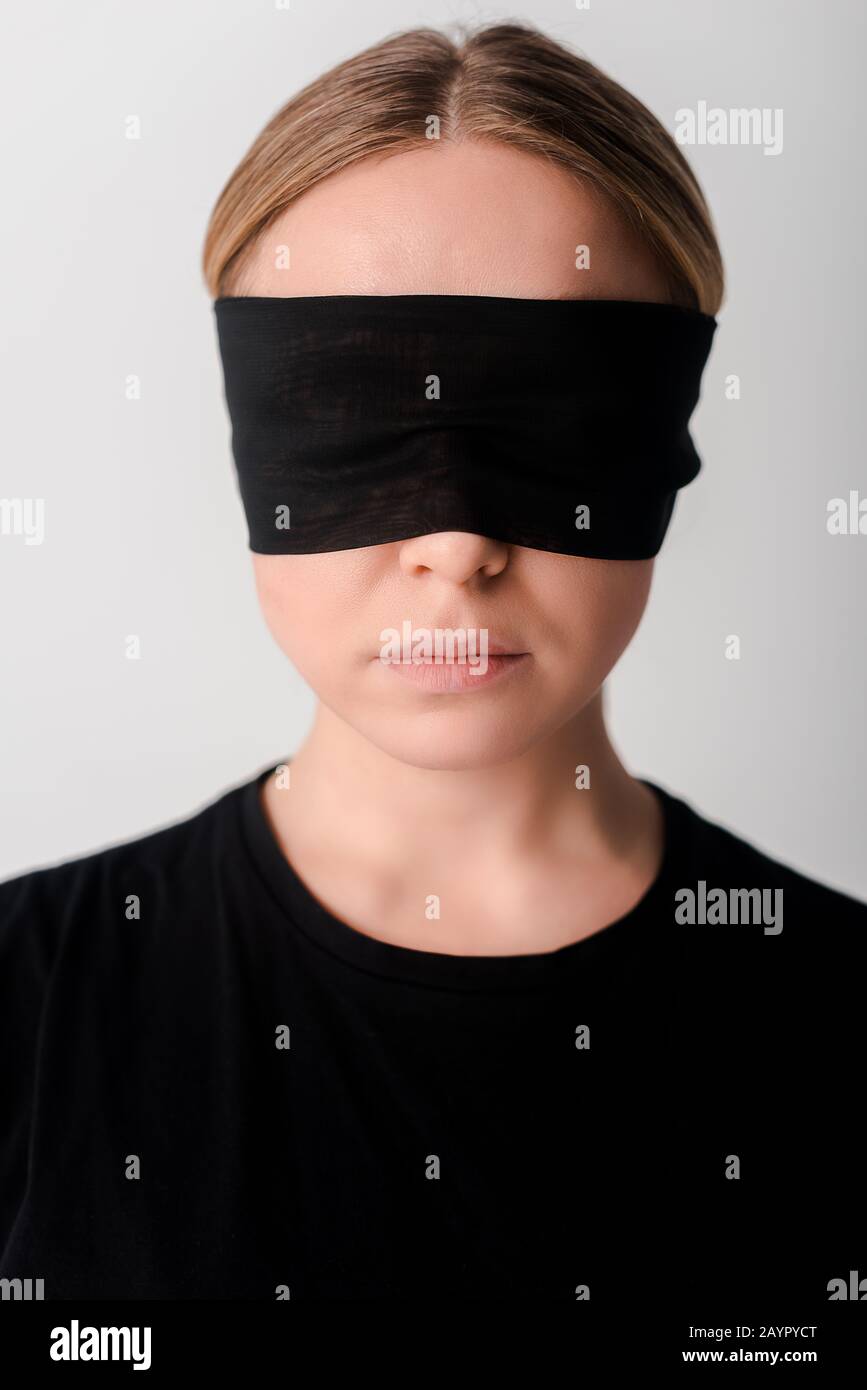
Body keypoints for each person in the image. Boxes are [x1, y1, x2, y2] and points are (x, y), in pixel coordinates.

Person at [1, 22, 864, 1308]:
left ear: (671, 437)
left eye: (555, 416)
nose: (456, 540)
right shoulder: (27, 1001)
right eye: (349, 407)